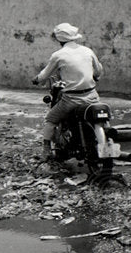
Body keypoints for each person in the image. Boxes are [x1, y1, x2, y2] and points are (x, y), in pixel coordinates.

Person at [32, 22, 104, 158]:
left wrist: (37, 79)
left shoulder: (58, 55)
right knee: (99, 119)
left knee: (50, 120)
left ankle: (46, 150)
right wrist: (95, 77)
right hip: (92, 96)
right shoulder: (88, 51)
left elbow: (44, 74)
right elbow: (99, 70)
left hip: (71, 99)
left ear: (59, 39)